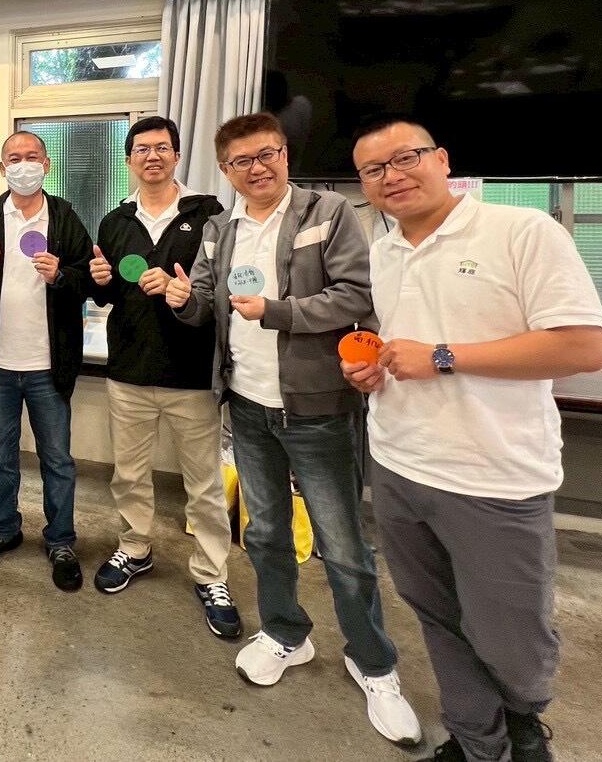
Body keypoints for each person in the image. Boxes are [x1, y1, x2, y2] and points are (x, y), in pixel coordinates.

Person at [346, 116, 602, 762]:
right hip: (398, 463)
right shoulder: (384, 251)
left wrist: (442, 357)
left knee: (509, 633)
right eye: (373, 170)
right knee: (434, 615)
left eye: (405, 158)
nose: (391, 176)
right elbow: (404, 347)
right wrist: (372, 370)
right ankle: (475, 740)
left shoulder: (520, 231)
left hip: (493, 476)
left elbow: (581, 346)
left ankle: (523, 725)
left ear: (441, 160)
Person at [166, 112, 423, 748]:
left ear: (285, 154)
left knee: (343, 546)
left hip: (318, 408)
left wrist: (277, 311)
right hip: (246, 405)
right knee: (266, 533)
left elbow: (357, 295)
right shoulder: (220, 230)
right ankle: (285, 633)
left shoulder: (327, 213)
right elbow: (207, 304)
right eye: (242, 161)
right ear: (225, 170)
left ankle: (374, 663)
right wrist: (184, 299)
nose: (257, 168)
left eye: (268, 154)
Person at [85, 116, 240, 638]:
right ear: (129, 158)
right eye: (142, 149)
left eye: (162, 148)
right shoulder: (116, 220)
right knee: (129, 474)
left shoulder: (210, 214)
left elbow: (222, 292)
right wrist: (99, 281)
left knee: (203, 484)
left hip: (191, 373)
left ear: (177, 155)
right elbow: (108, 294)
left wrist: (187, 295)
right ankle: (134, 548)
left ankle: (212, 574)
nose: (152, 156)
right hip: (128, 370)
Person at [0, 131, 92, 591]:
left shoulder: (64, 216)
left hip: (50, 365)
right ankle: (2, 529)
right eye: (14, 158)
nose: (23, 165)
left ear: (46, 165)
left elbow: (89, 280)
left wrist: (61, 275)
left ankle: (61, 540)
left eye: (32, 157)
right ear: (2, 168)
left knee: (58, 459)